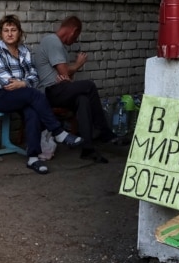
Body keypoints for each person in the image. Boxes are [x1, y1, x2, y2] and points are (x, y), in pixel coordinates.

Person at [0, 14, 83, 174]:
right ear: (0, 33)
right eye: (5, 30)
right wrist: (25, 83)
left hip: (21, 94)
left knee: (32, 110)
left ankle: (33, 158)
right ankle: (58, 132)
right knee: (33, 95)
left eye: (13, 30)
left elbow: (35, 76)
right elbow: (6, 83)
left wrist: (23, 83)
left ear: (19, 32)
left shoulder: (24, 51)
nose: (9, 34)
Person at [33, 15, 119, 164]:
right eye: (76, 36)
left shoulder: (58, 46)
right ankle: (104, 132)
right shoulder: (52, 41)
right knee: (89, 86)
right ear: (73, 31)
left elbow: (65, 76)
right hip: (48, 92)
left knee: (83, 99)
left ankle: (88, 149)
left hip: (60, 89)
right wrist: (78, 64)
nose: (75, 41)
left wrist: (66, 76)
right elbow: (65, 72)